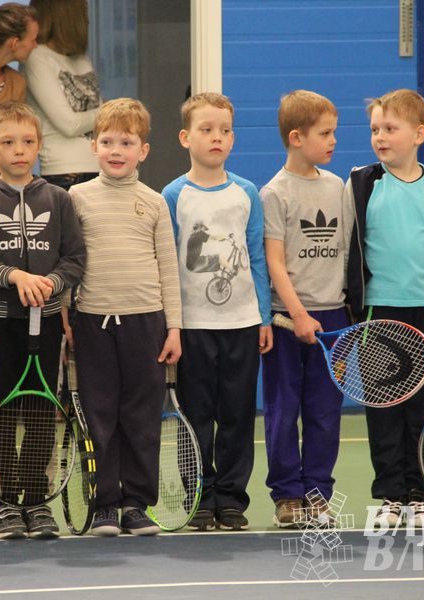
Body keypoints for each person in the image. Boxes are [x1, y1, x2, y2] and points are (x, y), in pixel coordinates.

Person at [345, 89, 424, 528]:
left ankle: (420, 493)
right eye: (375, 129)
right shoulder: (361, 181)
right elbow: (348, 248)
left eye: (390, 129)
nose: (380, 137)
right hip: (380, 316)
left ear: (418, 133)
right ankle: (390, 496)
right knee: (384, 409)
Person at [0, 101, 85, 540]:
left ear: (39, 145)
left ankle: (36, 499)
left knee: (38, 413)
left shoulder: (58, 198)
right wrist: (15, 276)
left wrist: (49, 283)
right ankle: (6, 502)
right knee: (1, 411)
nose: (20, 150)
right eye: (9, 142)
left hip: (46, 325)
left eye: (28, 141)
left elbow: (74, 260)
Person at [69, 98, 181, 536]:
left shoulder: (153, 203)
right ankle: (104, 505)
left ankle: (136, 504)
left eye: (127, 142)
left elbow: (168, 267)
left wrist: (174, 327)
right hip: (92, 322)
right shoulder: (75, 198)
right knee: (100, 415)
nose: (117, 150)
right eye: (108, 141)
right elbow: (69, 263)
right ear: (94, 146)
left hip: (146, 324)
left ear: (143, 151)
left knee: (141, 416)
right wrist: (65, 318)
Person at [163, 92, 273, 531]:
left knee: (237, 414)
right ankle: (198, 498)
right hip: (192, 326)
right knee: (196, 415)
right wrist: (170, 323)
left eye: (225, 130)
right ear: (186, 137)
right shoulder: (173, 194)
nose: (217, 138)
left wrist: (263, 316)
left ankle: (230, 498)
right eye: (207, 130)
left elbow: (257, 257)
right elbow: (168, 260)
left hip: (242, 325)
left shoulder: (246, 192)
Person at [260, 90, 352, 527]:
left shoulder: (338, 187)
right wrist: (297, 314)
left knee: (324, 413)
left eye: (334, 132)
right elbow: (274, 261)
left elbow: (351, 254)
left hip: (333, 319)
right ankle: (287, 496)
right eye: (326, 133)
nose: (334, 141)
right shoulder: (274, 193)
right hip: (287, 320)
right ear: (296, 137)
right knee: (283, 409)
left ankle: (317, 494)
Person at [22, 0, 101, 191]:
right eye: (83, 12)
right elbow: (69, 124)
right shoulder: (37, 57)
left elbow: (97, 116)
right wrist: (108, 112)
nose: (88, 20)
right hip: (66, 173)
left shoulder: (81, 58)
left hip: (100, 165)